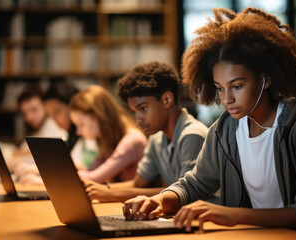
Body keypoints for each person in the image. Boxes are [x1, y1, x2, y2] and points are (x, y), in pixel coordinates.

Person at [123, 8, 296, 239]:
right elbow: (195, 183)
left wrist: (233, 215)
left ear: (265, 79)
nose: (226, 99)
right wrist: (159, 200)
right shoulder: (224, 130)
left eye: (237, 86)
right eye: (219, 88)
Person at [84, 61, 208, 202]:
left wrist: (109, 194)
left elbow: (184, 192)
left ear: (167, 99)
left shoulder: (192, 135)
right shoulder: (156, 139)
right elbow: (138, 184)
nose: (138, 119)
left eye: (143, 108)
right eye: (134, 112)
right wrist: (98, 189)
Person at [69, 84, 147, 184]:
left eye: (81, 124)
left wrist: (62, 174)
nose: (78, 132)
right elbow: (91, 170)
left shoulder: (132, 140)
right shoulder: (105, 140)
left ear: (98, 117)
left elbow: (95, 177)